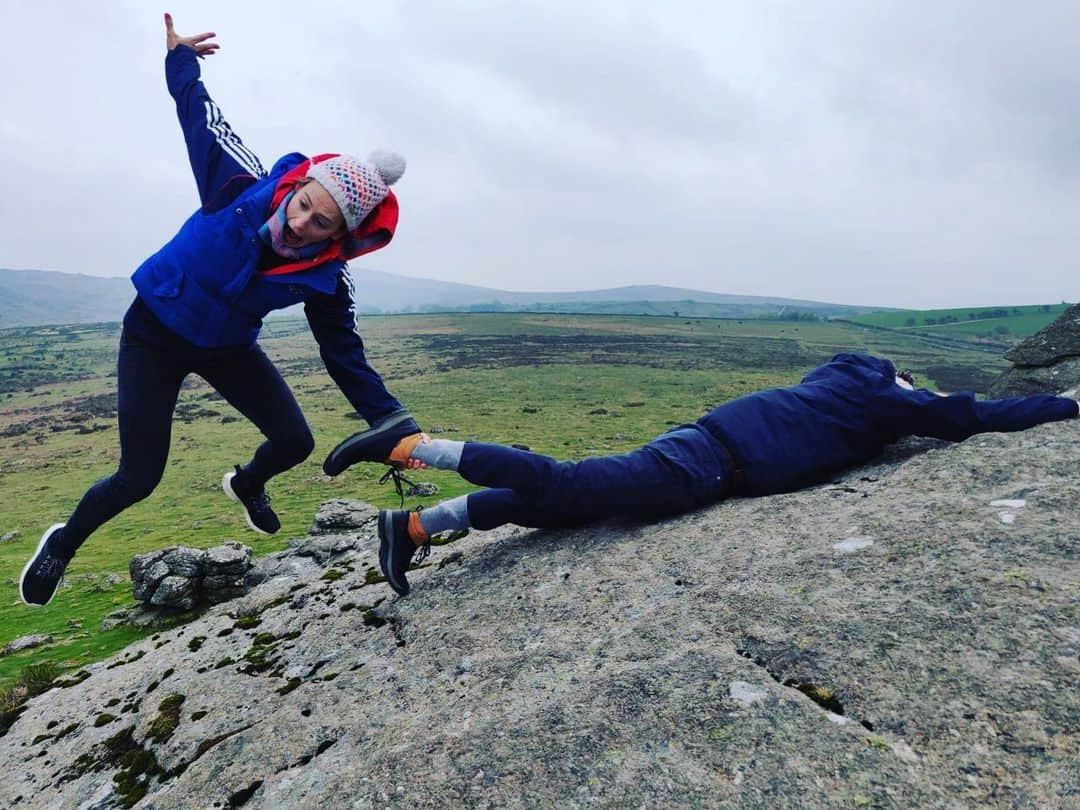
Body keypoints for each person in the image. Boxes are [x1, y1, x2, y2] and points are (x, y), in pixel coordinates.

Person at [19, 14, 423, 607]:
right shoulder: (236, 184)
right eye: (305, 204)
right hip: (153, 332)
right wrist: (180, 58)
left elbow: (345, 355)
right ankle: (64, 542)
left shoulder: (326, 278)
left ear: (338, 234)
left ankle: (247, 481)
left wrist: (393, 421)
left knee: (294, 441)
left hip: (227, 346)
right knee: (140, 477)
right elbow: (199, 113)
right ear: (299, 185)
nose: (302, 222)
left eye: (321, 222)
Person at [327, 353, 1079, 596]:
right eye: (907, 386)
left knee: (554, 510)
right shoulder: (882, 396)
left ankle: (416, 526)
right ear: (896, 380)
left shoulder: (838, 380)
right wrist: (1065, 404)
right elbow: (971, 415)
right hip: (704, 466)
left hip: (698, 445)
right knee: (563, 487)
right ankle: (411, 444)